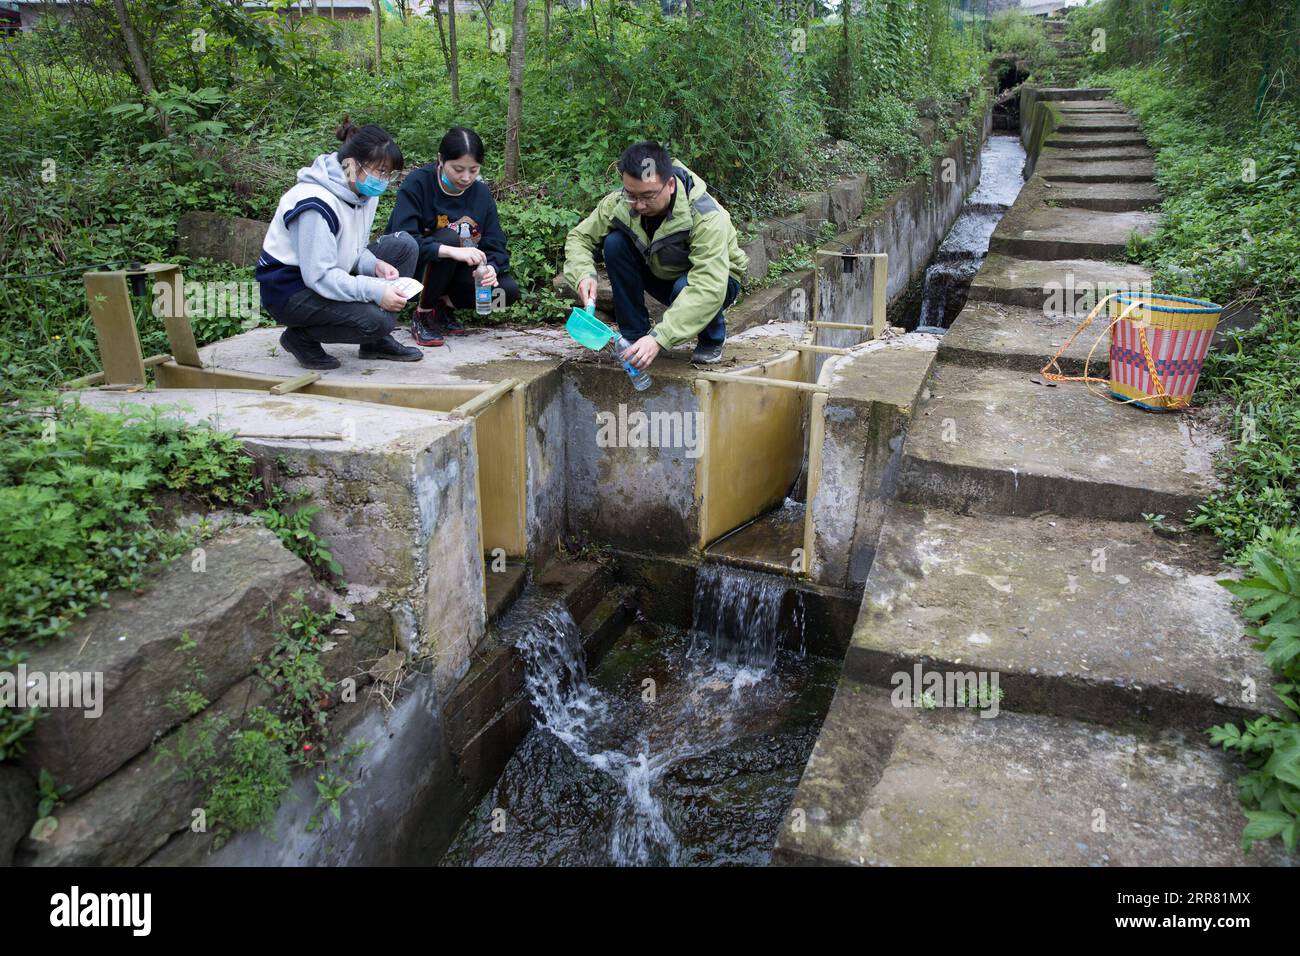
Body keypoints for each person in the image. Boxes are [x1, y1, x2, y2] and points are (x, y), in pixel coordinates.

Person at [255, 118, 423, 370]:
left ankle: (374, 343)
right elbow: (319, 276)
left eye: (389, 173)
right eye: (379, 171)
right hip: (291, 290)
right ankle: (300, 337)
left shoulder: (364, 194)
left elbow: (353, 248)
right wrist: (375, 290)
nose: (384, 180)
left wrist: (373, 264)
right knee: (378, 320)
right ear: (351, 166)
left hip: (329, 272)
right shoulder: (315, 204)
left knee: (404, 246)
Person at [562, 141, 748, 367]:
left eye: (648, 196)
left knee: (685, 287)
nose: (639, 205)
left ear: (670, 185)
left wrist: (659, 338)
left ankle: (712, 339)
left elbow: (708, 285)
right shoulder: (620, 202)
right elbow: (579, 238)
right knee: (615, 243)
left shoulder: (706, 216)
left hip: (719, 280)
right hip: (663, 271)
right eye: (632, 195)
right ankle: (633, 337)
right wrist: (583, 274)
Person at [385, 127, 521, 347]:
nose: (466, 178)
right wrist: (451, 250)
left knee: (507, 293)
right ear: (441, 159)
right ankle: (423, 314)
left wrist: (491, 268)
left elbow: (496, 245)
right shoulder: (418, 184)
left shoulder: (481, 194)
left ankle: (443, 306)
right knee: (448, 239)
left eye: (473, 170)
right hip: (414, 270)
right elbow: (403, 239)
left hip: (454, 273)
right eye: (458, 169)